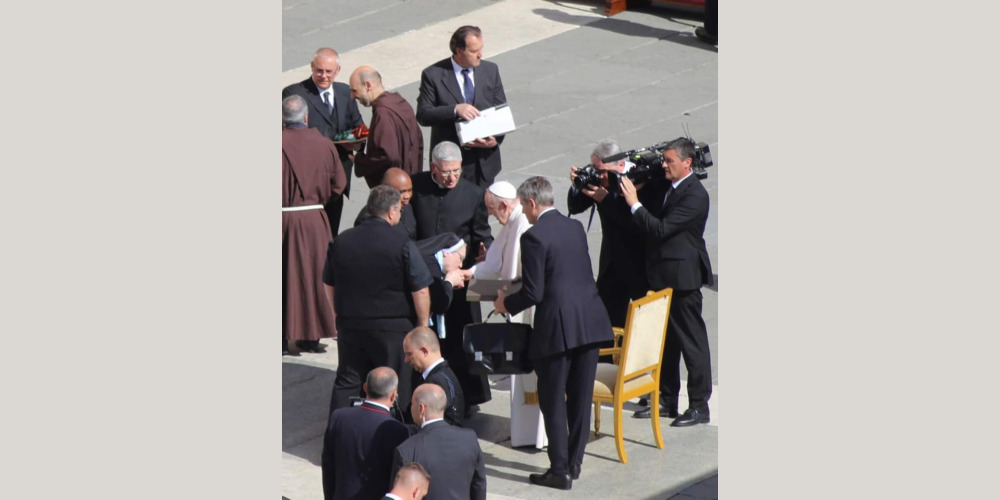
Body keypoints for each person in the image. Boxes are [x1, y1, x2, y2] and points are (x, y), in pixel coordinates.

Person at [494, 176, 613, 490]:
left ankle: (558, 470)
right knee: (580, 397)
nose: (526, 214)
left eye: (525, 207)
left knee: (552, 398)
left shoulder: (533, 237)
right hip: (589, 322)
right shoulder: (574, 227)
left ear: (532, 203)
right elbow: (565, 270)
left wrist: (506, 303)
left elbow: (534, 292)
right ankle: (573, 463)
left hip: (558, 330)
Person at [619, 137, 714, 427]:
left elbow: (661, 229)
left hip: (683, 280)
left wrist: (634, 203)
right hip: (663, 277)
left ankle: (699, 406)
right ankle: (667, 398)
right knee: (666, 343)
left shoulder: (695, 195)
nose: (664, 165)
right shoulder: (671, 187)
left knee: (691, 343)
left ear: (687, 163)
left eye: (669, 161)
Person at [323, 185, 432, 416]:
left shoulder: (341, 241)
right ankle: (396, 433)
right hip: (392, 328)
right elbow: (420, 289)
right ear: (392, 212)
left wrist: (336, 314)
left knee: (348, 380)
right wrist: (422, 325)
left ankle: (338, 433)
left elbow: (328, 283)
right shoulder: (401, 242)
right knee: (395, 381)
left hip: (350, 323)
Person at [460, 181, 545, 449]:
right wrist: (470, 273)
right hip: (517, 304)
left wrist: (502, 297)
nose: (491, 215)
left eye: (492, 209)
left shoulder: (522, 225)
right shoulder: (512, 221)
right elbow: (495, 262)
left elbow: (511, 275)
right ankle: (524, 434)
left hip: (527, 310)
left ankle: (535, 436)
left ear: (505, 205)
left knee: (529, 374)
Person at [409, 141, 493, 411]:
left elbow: (482, 233)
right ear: (433, 167)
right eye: (446, 172)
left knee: (461, 340)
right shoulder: (417, 187)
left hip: (459, 282)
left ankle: (467, 398)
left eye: (456, 171)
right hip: (425, 279)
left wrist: (485, 251)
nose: (452, 177)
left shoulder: (473, 193)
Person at [567, 139, 662, 329]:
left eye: (603, 171)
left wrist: (606, 200)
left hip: (640, 264)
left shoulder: (641, 178)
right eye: (596, 169)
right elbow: (575, 207)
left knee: (644, 321)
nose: (600, 176)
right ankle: (610, 356)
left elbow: (637, 223)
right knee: (608, 320)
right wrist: (577, 184)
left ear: (620, 164)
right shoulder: (601, 177)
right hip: (612, 262)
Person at [282, 95, 347, 356]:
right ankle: (310, 336)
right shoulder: (324, 144)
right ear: (306, 117)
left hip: (282, 219)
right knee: (313, 278)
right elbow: (338, 185)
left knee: (283, 277)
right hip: (313, 220)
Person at [282, 48, 364, 237]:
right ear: (311, 67)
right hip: (308, 177)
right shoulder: (295, 93)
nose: (324, 76)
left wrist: (356, 144)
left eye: (329, 71)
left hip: (337, 175)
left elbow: (357, 124)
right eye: (319, 70)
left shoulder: (344, 92)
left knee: (331, 232)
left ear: (337, 70)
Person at [416, 25, 508, 188]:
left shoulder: (490, 70)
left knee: (481, 211)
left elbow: (501, 110)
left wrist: (494, 141)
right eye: (474, 51)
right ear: (459, 51)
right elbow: (424, 114)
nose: (480, 54)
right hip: (450, 166)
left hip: (483, 163)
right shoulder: (433, 75)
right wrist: (455, 110)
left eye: (481, 49)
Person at [322, 367, 411, 500]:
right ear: (393, 395)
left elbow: (328, 466)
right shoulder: (398, 430)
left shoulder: (339, 417)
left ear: (365, 387)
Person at [392, 384, 487, 500]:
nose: (410, 407)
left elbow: (399, 495)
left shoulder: (407, 450)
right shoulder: (469, 438)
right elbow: (479, 485)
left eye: (412, 404)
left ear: (421, 409)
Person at [348, 66, 424, 188]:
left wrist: (360, 160)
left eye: (354, 91)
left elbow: (387, 155)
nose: (352, 96)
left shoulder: (383, 113)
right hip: (410, 180)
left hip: (394, 188)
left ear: (368, 85)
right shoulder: (400, 102)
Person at [403, 326, 466, 426]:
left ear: (424, 351)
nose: (406, 360)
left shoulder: (435, 382)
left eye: (409, 354)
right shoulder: (444, 374)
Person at [413, 233, 467, 340]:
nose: (461, 265)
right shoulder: (431, 265)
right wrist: (449, 282)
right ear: (447, 253)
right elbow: (440, 304)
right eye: (461, 258)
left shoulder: (428, 261)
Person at [354, 167, 418, 239]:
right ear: (386, 190)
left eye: (410, 190)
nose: (407, 196)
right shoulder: (368, 218)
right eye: (402, 192)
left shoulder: (407, 207)